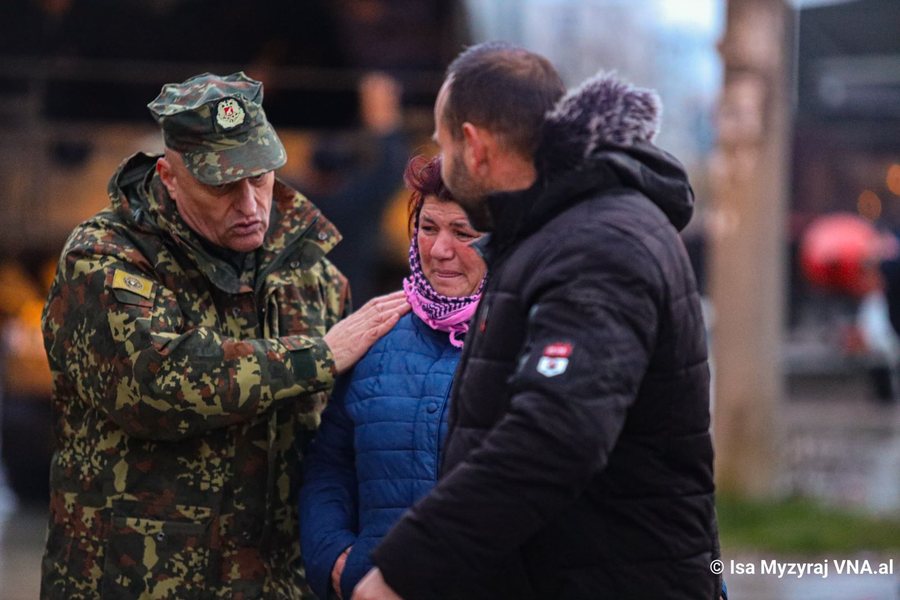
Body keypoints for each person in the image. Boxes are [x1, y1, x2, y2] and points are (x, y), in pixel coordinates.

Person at [353, 42, 722, 600]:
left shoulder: (596, 246)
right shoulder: (551, 235)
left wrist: (404, 571)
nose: (443, 157)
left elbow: (555, 433)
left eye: (444, 140)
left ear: (474, 146)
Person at [39, 72, 408, 599]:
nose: (251, 204)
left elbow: (335, 444)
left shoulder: (311, 271)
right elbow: (158, 384)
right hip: (132, 582)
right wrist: (318, 357)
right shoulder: (106, 257)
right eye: (222, 185)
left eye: (260, 178)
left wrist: (341, 553)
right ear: (168, 176)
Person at [298, 154, 486, 600]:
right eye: (427, 227)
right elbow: (330, 464)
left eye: (464, 234)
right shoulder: (377, 330)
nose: (440, 250)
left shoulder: (530, 340)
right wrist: (335, 559)